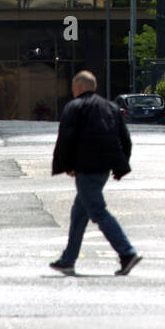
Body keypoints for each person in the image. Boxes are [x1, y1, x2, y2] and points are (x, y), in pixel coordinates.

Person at [49, 70, 141, 277]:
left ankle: (127, 252)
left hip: (85, 168)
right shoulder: (111, 107)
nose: (73, 90)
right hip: (104, 169)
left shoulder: (74, 107)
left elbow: (66, 139)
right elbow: (125, 139)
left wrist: (67, 165)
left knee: (98, 211)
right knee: (79, 213)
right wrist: (120, 166)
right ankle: (68, 260)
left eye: (73, 86)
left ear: (79, 87)